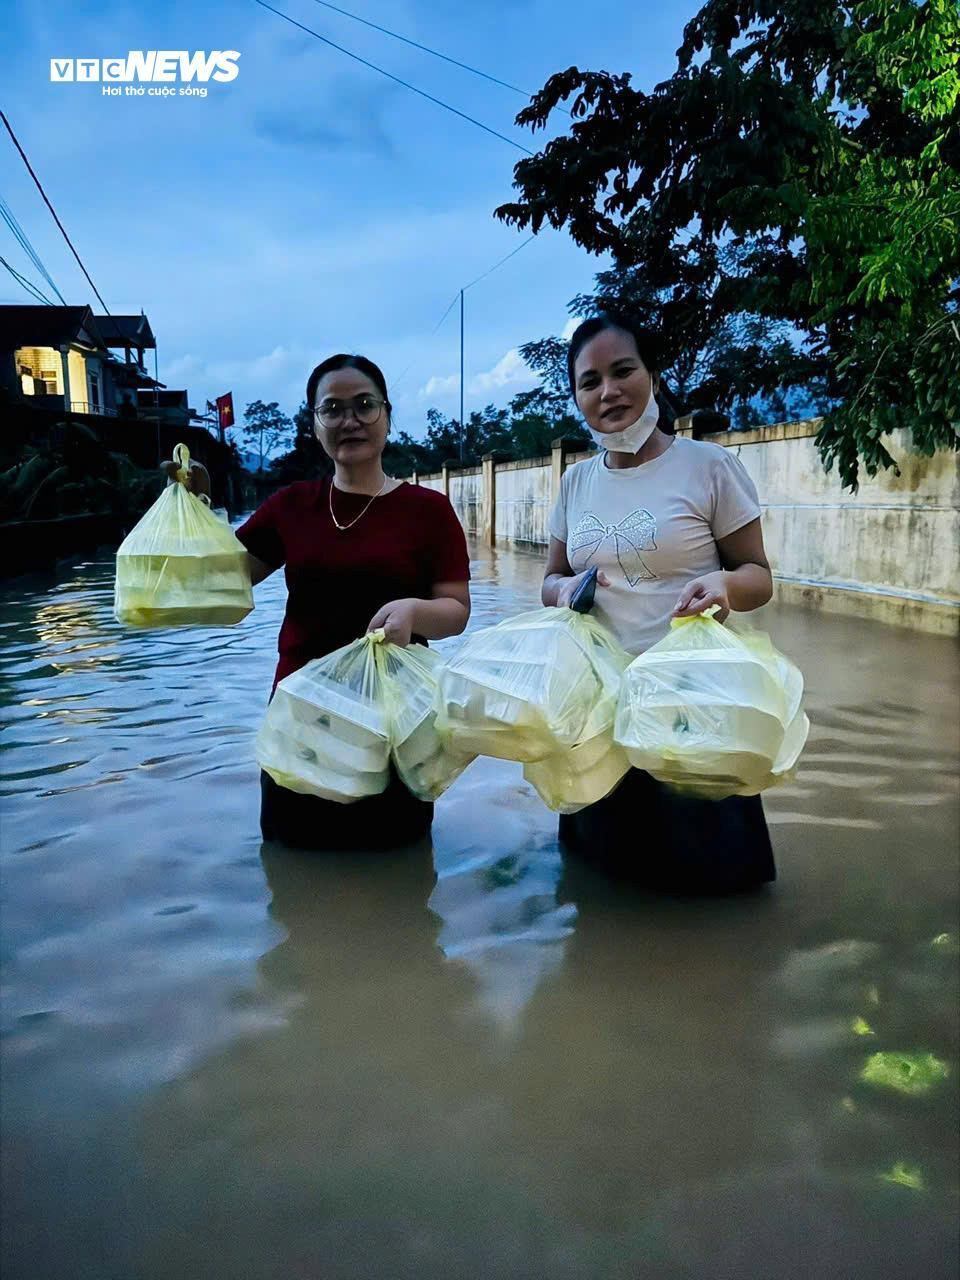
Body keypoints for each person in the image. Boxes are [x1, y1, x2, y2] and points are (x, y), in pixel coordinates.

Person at [166, 354, 471, 849]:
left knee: (397, 874)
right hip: (302, 723)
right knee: (292, 873)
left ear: (388, 416)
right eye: (332, 409)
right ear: (314, 423)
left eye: (364, 406)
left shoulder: (428, 511)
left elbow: (456, 611)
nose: (350, 421)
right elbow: (224, 580)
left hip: (395, 729)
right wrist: (198, 507)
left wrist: (415, 612)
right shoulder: (291, 507)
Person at [542, 313, 776, 894]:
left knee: (708, 872)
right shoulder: (574, 482)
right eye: (589, 382)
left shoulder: (708, 466)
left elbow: (759, 576)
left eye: (624, 372)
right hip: (595, 707)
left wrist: (724, 586)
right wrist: (563, 592)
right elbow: (550, 579)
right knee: (603, 879)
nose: (608, 392)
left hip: (688, 703)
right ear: (576, 396)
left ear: (652, 374)